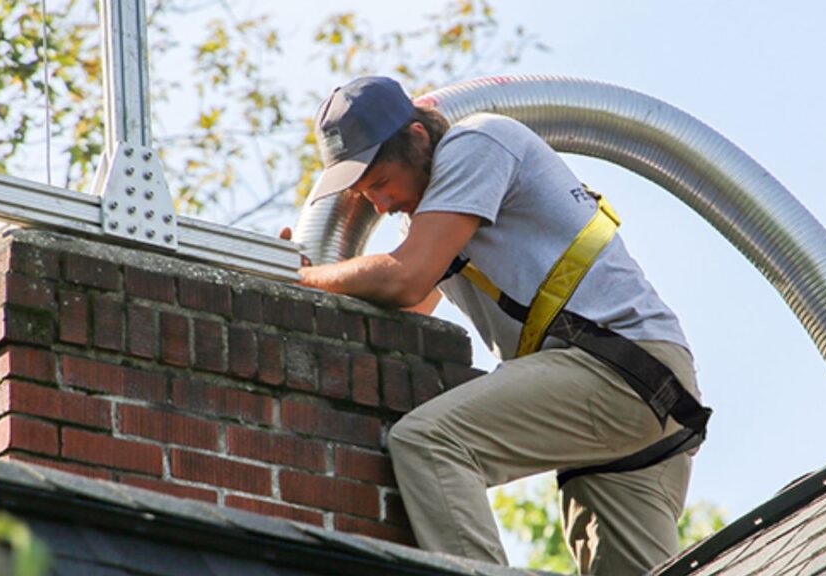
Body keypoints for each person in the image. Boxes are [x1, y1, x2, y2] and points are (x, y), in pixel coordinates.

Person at [294, 76, 709, 575]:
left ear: (418, 139)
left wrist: (301, 277)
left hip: (617, 370)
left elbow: (406, 278)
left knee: (430, 443)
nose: (379, 206)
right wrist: (316, 281)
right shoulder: (440, 219)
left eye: (380, 183)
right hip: (638, 398)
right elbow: (408, 311)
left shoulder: (477, 143)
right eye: (366, 194)